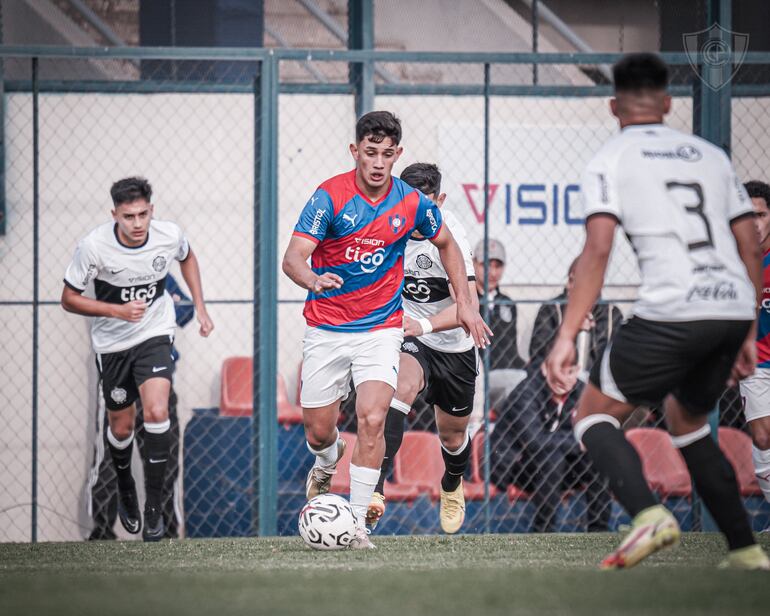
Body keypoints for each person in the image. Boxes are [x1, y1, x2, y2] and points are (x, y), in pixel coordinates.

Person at [544, 53, 770, 569]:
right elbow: (751, 248)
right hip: (732, 306)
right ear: (669, 103)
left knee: (592, 416)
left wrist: (567, 335)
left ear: (612, 106)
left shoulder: (610, 159)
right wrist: (747, 327)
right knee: (687, 419)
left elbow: (597, 251)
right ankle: (746, 551)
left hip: (671, 310)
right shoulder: (712, 155)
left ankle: (650, 516)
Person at [282, 111, 488, 549]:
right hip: (327, 327)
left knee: (377, 416)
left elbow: (448, 244)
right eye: (369, 152)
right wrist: (312, 278)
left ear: (397, 155)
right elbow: (294, 257)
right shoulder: (329, 197)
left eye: (386, 154)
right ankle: (326, 460)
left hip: (384, 329)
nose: (377, 162)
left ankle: (358, 525)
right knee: (319, 431)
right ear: (355, 152)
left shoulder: (413, 205)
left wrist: (466, 306)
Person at [62, 177, 214, 542]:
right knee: (121, 430)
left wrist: (201, 307)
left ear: (152, 211)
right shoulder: (94, 247)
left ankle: (155, 510)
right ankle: (126, 488)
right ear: (114, 214)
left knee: (159, 412)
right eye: (128, 216)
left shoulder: (168, 235)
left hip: (154, 335)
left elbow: (187, 256)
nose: (137, 223)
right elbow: (69, 298)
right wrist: (115, 310)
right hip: (113, 344)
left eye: (143, 214)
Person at [364, 162, 488, 534]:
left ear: (441, 200)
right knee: (399, 387)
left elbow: (469, 308)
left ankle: (451, 484)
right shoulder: (388, 226)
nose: (418, 213)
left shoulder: (451, 238)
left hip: (453, 348)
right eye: (411, 202)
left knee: (452, 436)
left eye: (426, 204)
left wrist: (425, 324)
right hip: (411, 339)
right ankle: (375, 490)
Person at [86, 274, 193, 540]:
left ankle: (166, 530)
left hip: (158, 383)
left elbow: (186, 311)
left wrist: (166, 303)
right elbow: (107, 318)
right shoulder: (111, 276)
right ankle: (102, 531)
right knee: (109, 459)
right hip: (120, 380)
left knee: (165, 460)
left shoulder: (160, 276)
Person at [490, 371, 612, 533]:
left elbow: (590, 431)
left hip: (559, 468)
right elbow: (535, 441)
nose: (565, 378)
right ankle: (543, 530)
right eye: (560, 370)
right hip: (519, 469)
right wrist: (576, 443)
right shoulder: (527, 391)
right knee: (552, 456)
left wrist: (578, 441)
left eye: (570, 371)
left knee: (599, 455)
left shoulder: (580, 391)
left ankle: (599, 529)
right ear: (547, 367)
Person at [529, 258, 623, 373]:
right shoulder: (552, 308)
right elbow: (537, 352)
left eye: (577, 281)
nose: (569, 286)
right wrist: (571, 332)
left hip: (596, 382)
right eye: (570, 279)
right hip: (557, 378)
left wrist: (590, 332)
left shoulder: (612, 314)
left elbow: (619, 358)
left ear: (598, 284)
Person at [740, 180, 770, 512]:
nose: (755, 225)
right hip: (756, 361)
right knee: (763, 438)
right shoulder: (735, 261)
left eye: (760, 215)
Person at [473, 239, 526, 411]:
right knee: (518, 385)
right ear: (474, 265)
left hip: (507, 374)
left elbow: (511, 349)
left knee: (529, 380)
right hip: (477, 377)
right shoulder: (466, 301)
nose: (493, 272)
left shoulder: (508, 303)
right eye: (487, 265)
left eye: (498, 266)